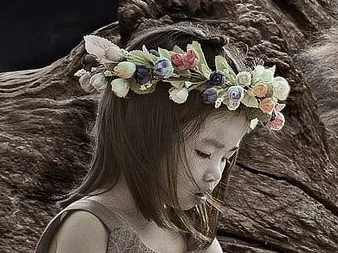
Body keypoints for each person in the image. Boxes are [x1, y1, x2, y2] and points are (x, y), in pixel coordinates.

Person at [36, 24, 289, 253]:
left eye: (226, 158)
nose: (216, 173)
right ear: (144, 134)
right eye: (204, 153)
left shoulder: (198, 242)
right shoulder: (89, 226)